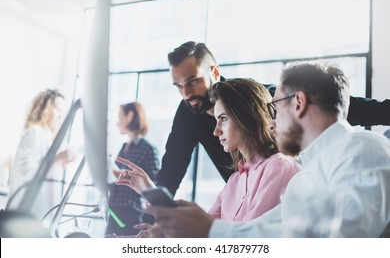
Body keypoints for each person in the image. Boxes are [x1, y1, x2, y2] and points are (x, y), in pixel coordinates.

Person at [149, 63, 390, 238]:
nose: (270, 121)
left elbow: (343, 240)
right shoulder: (304, 177)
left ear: (299, 103)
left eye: (275, 106)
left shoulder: (361, 148)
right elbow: (261, 228)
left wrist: (211, 231)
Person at [156, 41, 390, 196]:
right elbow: (172, 168)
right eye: (178, 86)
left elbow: (328, 104)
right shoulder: (187, 113)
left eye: (193, 81)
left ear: (214, 72)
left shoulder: (257, 97)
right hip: (245, 199)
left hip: (286, 189)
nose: (186, 93)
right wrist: (153, 215)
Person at [116, 79, 299, 232]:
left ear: (247, 117)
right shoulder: (235, 180)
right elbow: (202, 231)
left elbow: (246, 241)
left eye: (223, 119)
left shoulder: (279, 167)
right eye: (216, 120)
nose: (215, 131)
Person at [6, 89, 77, 225]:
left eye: (62, 111)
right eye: (57, 108)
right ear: (44, 108)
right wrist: (57, 159)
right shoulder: (34, 133)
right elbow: (29, 174)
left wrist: (60, 162)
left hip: (42, 218)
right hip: (25, 218)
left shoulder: (48, 138)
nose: (60, 116)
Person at [105, 102, 159, 236]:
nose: (117, 123)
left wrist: (126, 175)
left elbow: (155, 184)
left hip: (131, 213)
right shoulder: (124, 147)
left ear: (130, 116)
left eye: (119, 117)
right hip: (114, 211)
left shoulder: (148, 149)